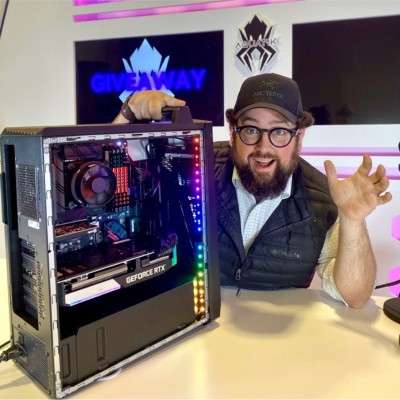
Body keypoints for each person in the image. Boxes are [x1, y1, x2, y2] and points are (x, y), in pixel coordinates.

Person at [113, 73, 392, 308]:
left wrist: (353, 220)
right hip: (189, 324)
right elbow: (109, 180)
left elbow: (353, 296)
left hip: (276, 342)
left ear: (299, 137)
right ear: (232, 132)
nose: (263, 147)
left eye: (279, 131)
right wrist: (128, 114)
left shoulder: (324, 199)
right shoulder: (192, 163)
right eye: (250, 130)